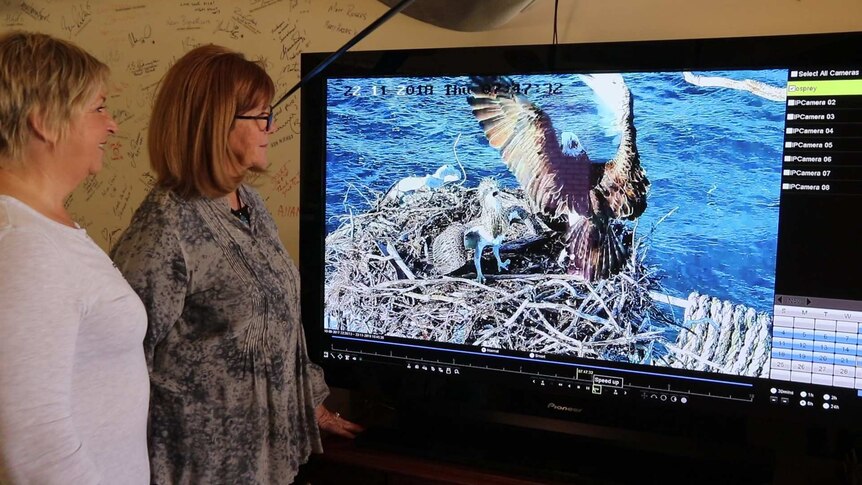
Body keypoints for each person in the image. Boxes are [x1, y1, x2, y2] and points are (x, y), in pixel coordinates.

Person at [110, 44, 363, 484]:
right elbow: (117, 359)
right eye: (261, 115)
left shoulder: (249, 202)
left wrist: (311, 402)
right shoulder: (166, 225)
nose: (272, 126)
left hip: (268, 463)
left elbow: (276, 323)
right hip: (202, 469)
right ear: (216, 124)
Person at [0, 32, 149, 484]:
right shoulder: (24, 245)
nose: (112, 125)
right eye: (98, 107)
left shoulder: (44, 230)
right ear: (44, 120)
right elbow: (31, 443)